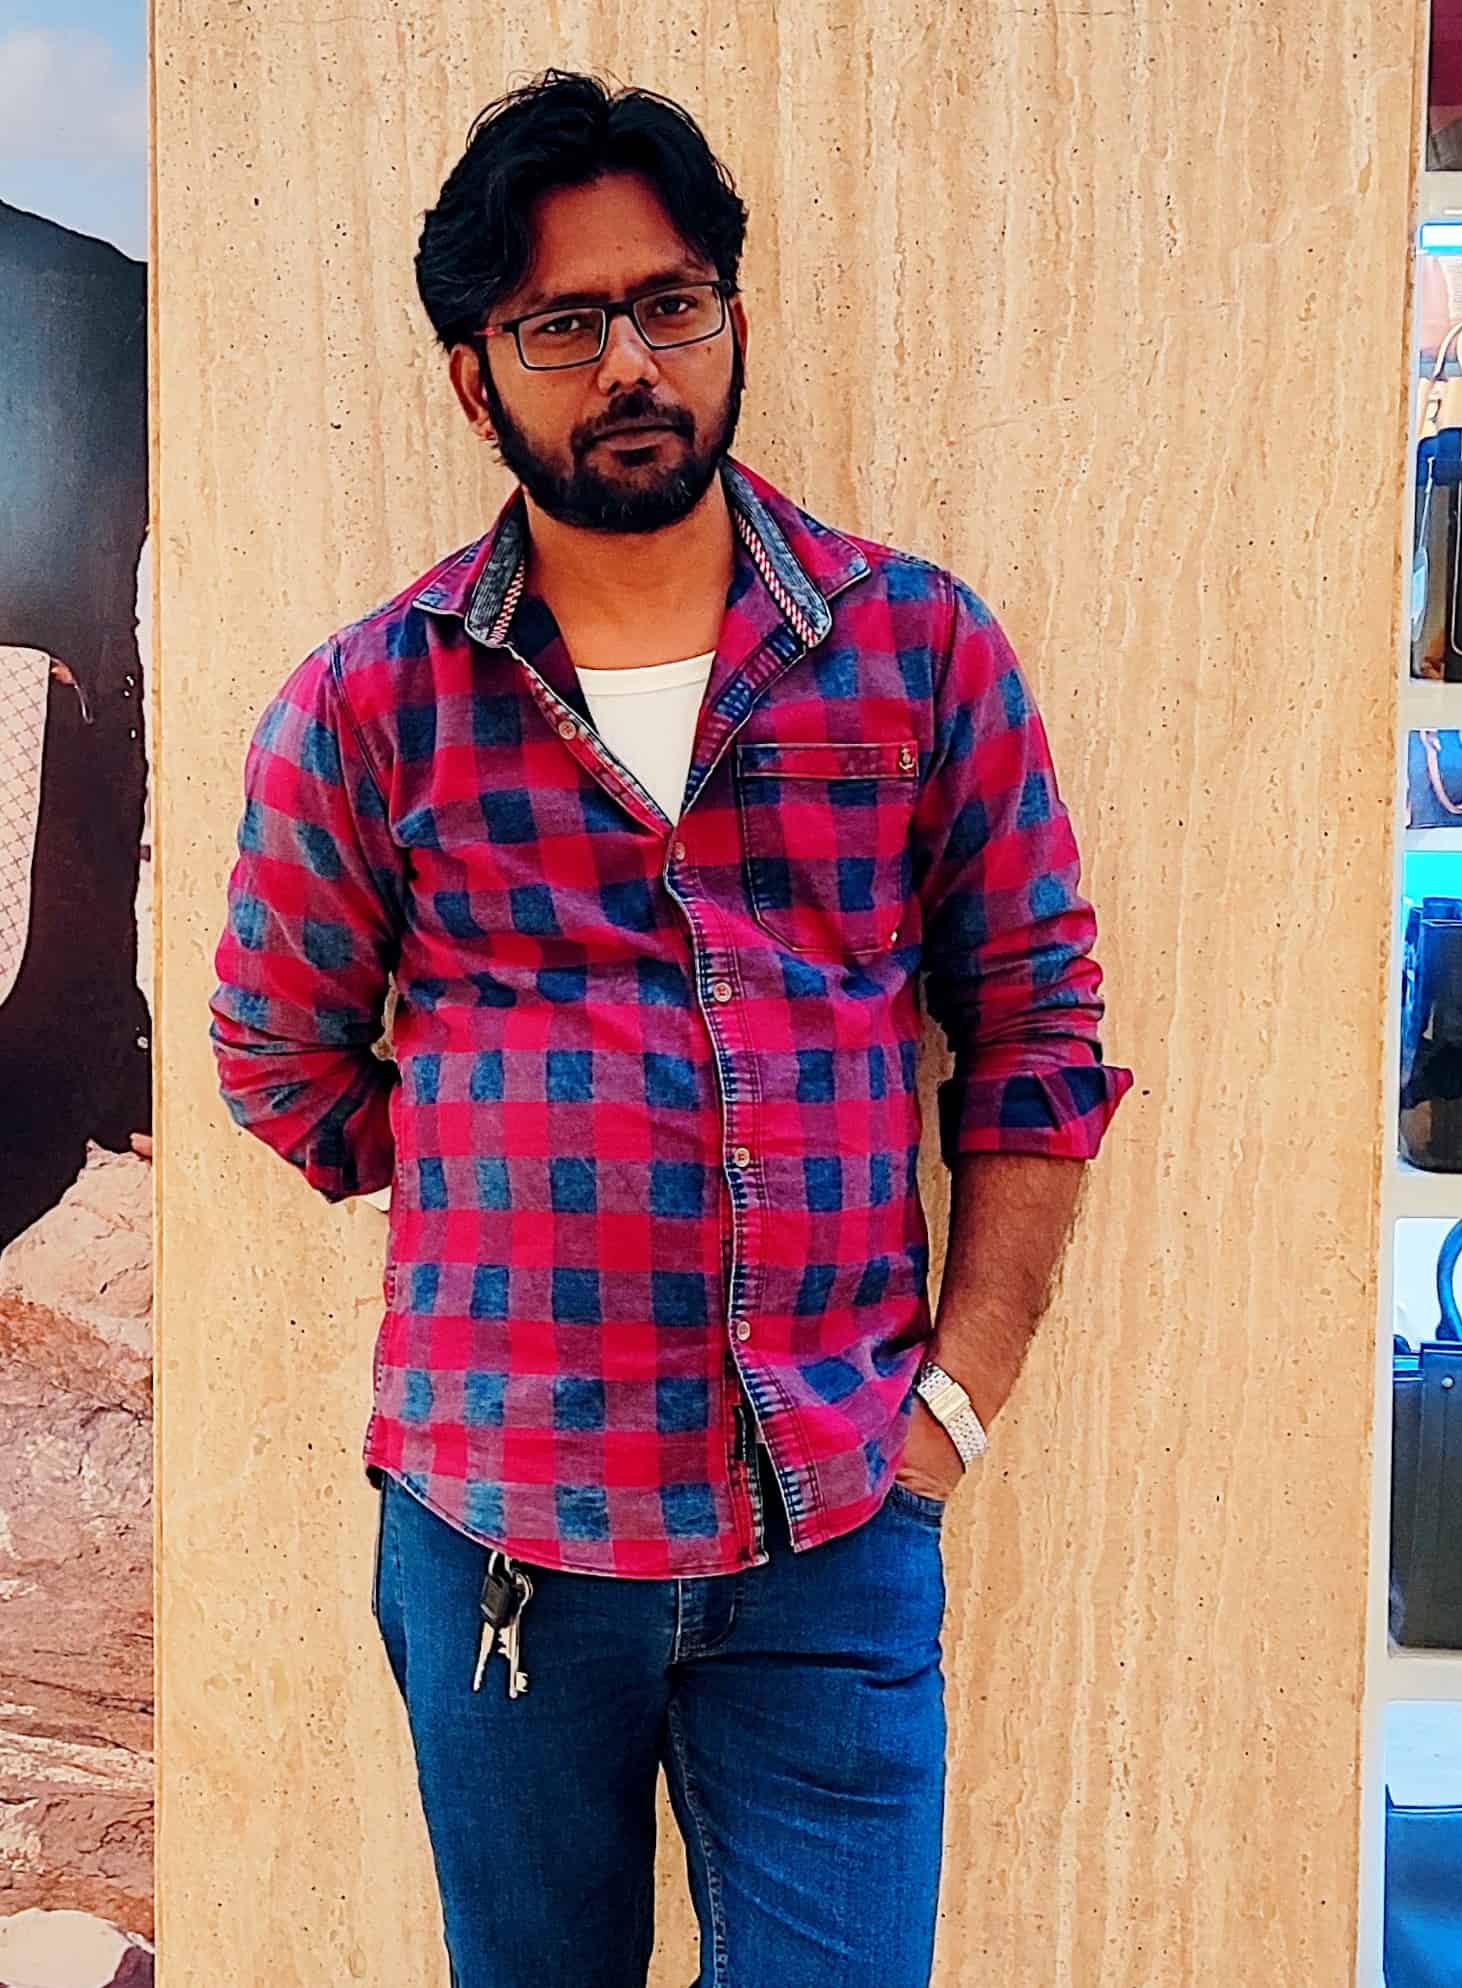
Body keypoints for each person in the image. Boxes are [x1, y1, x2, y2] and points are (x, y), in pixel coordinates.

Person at [208, 68, 1132, 1988]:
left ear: (729, 315)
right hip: (504, 1541)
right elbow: (276, 1057)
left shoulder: (916, 654)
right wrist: (495, 1167)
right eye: (562, 324)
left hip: (836, 1524)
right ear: (474, 381)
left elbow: (1038, 1028)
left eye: (671, 302)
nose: (631, 362)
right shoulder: (371, 707)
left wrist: (954, 1403)